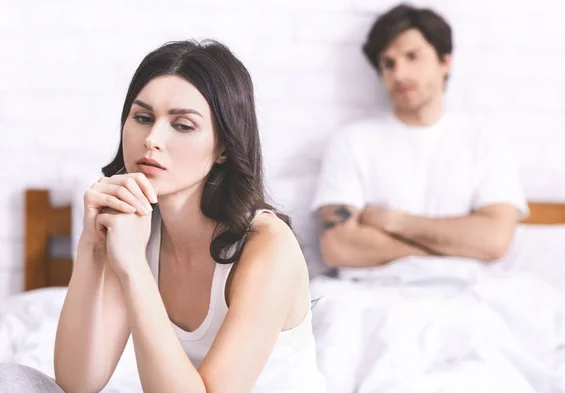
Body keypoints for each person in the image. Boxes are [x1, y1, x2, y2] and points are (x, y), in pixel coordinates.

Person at [0, 39, 325, 393]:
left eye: (182, 125)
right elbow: (78, 382)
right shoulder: (133, 226)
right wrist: (93, 245)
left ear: (224, 148)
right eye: (142, 118)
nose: (152, 138)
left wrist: (134, 268)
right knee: (12, 379)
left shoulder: (268, 245)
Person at [312, 4, 528, 274]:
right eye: (388, 63)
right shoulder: (351, 140)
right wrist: (452, 246)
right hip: (368, 294)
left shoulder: (485, 140)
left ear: (444, 62)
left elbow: (494, 241)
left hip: (466, 293)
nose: (398, 74)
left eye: (412, 56)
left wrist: (392, 221)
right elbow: (337, 246)